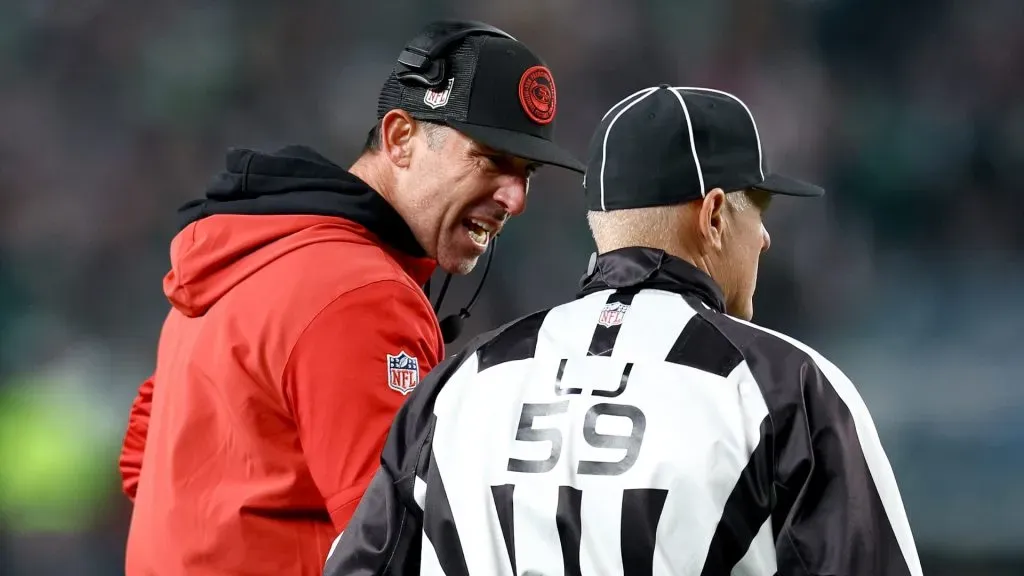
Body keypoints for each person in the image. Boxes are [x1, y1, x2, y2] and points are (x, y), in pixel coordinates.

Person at [323, 85, 924, 576]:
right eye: (757, 211)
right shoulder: (786, 388)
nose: (764, 238)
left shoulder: (461, 383)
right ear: (713, 216)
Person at [118, 20, 584, 576]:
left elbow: (144, 465)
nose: (517, 197)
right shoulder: (363, 293)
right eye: (491, 160)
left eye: (526, 172)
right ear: (401, 139)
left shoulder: (246, 254)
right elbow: (395, 546)